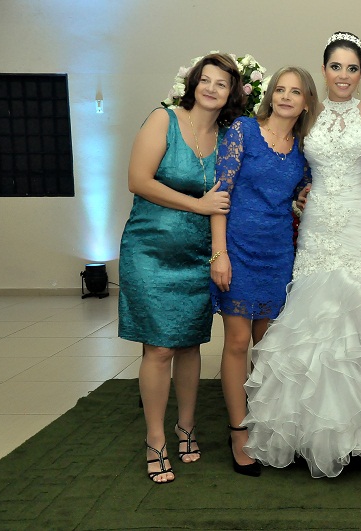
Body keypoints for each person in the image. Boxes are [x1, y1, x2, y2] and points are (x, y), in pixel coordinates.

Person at [241, 32, 361, 478]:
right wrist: (303, 192)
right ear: (324, 70)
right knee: (315, 316)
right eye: (336, 67)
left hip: (359, 220)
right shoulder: (306, 114)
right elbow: (290, 160)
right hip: (317, 224)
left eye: (352, 68)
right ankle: (311, 430)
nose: (344, 75)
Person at [118, 53, 243, 483]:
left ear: (231, 93)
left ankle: (185, 426)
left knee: (190, 344)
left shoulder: (228, 136)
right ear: (193, 83)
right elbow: (138, 180)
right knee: (159, 348)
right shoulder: (164, 119)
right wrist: (197, 204)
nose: (211, 88)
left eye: (221, 83)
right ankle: (155, 438)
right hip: (149, 250)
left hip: (198, 255)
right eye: (205, 80)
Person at [209, 66, 318, 476]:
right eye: (280, 89)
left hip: (278, 252)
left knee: (269, 347)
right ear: (270, 95)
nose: (286, 97)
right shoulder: (243, 130)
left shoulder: (303, 149)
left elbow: (303, 192)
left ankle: (266, 426)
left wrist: (305, 198)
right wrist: (219, 254)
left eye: (295, 92)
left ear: (306, 102)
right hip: (237, 248)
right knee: (238, 342)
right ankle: (238, 432)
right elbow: (220, 193)